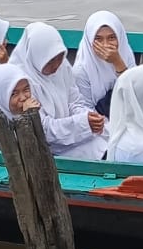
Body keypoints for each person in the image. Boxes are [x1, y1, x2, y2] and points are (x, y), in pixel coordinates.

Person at [8, 22, 107, 160]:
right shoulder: (21, 83)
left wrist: (88, 116)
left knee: (110, 136)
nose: (56, 65)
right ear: (37, 57)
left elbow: (74, 101)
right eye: (49, 61)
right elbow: (42, 128)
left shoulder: (62, 67)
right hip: (44, 145)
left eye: (60, 57)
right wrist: (81, 124)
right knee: (99, 150)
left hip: (70, 132)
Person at [73, 11, 135, 117]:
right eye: (98, 39)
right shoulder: (81, 69)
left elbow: (135, 96)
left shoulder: (126, 54)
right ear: (89, 41)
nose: (105, 45)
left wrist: (118, 62)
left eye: (112, 38)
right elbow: (86, 110)